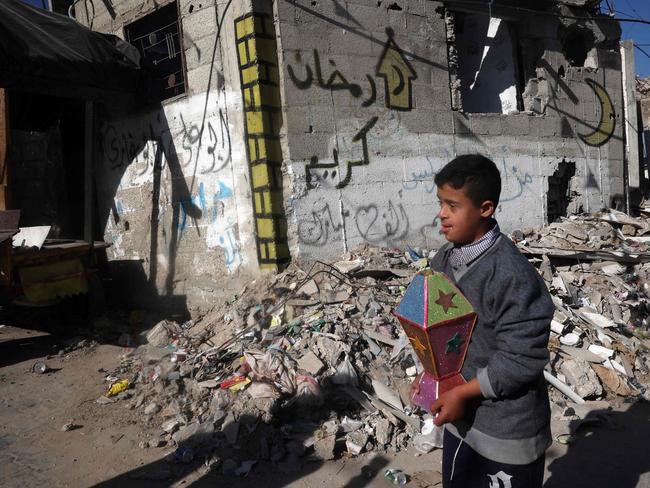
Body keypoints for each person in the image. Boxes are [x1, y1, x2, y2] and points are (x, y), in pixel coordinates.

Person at [428, 154, 554, 488]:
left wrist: (462, 393)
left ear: (485, 209)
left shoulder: (512, 276)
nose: (441, 214)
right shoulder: (444, 259)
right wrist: (431, 375)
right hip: (461, 423)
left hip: (507, 432)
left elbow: (520, 358)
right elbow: (440, 329)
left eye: (453, 206)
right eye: (441, 203)